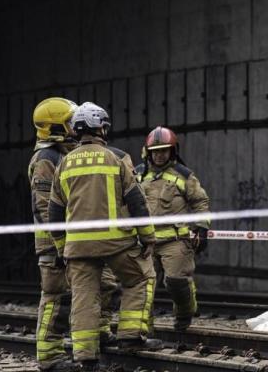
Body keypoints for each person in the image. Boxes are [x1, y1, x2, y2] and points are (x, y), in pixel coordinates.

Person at [48, 102, 160, 370]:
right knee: (141, 278)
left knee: (84, 297)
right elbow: (137, 201)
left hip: (78, 246)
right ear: (100, 128)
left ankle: (86, 358)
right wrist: (148, 237)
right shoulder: (115, 158)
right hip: (116, 242)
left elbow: (54, 212)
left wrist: (62, 248)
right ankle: (131, 336)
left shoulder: (64, 164)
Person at [29, 98, 119, 371]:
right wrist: (60, 245)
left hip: (73, 242)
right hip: (54, 245)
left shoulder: (63, 155)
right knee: (57, 299)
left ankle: (96, 334)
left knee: (97, 287)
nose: (75, 125)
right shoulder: (46, 159)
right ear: (55, 127)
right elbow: (45, 207)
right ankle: (49, 357)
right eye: (69, 122)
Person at [135, 126, 211, 331]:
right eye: (155, 151)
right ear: (147, 152)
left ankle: (185, 313)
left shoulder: (184, 175)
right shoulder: (138, 175)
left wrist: (202, 229)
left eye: (164, 151)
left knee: (176, 282)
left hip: (175, 241)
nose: (159, 155)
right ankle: (143, 331)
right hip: (145, 243)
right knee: (142, 288)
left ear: (172, 151)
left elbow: (200, 202)